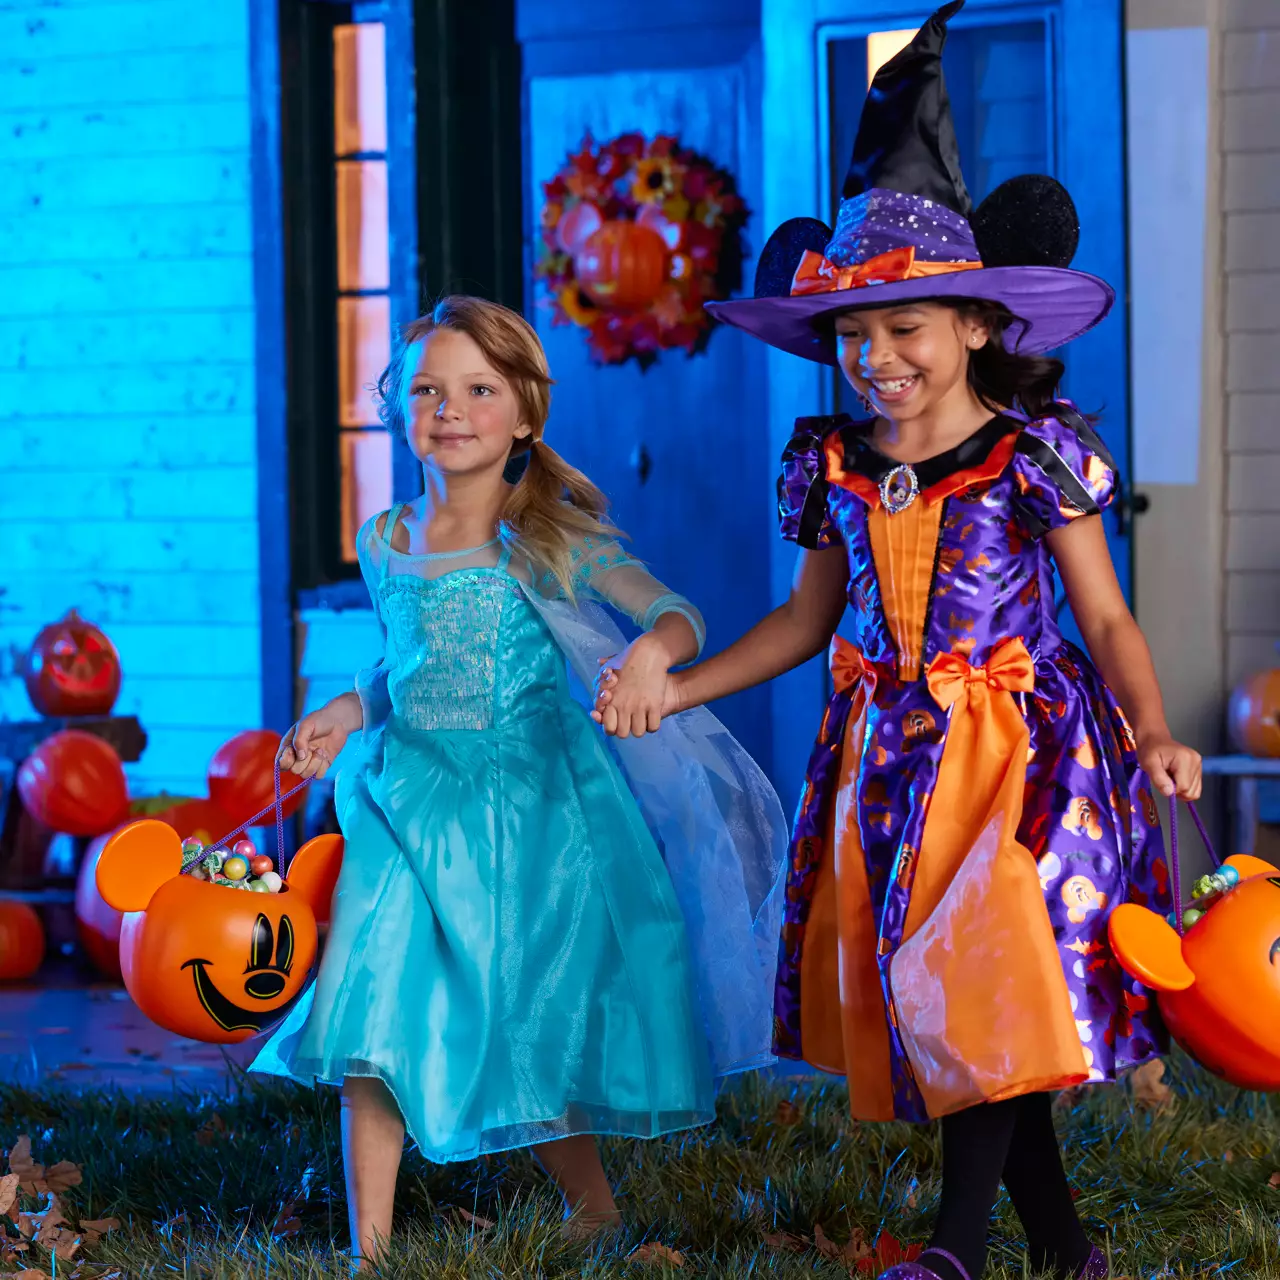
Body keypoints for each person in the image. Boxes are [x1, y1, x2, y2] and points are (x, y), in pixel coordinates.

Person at [594, 6, 1199, 1279]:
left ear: (975, 323)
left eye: (903, 328)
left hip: (1019, 760)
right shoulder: (830, 465)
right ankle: (1067, 1251)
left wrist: (1150, 727)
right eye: (850, 335)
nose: (873, 359)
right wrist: (678, 690)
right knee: (966, 1002)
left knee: (981, 981)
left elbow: (1101, 613)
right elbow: (804, 622)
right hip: (885, 764)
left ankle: (950, 1252)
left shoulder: (1031, 456)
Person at [251, 295, 786, 1269]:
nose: (450, 410)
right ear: (396, 406)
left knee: (523, 1017)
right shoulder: (384, 537)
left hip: (523, 813)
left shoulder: (546, 538)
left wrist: (653, 657)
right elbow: (404, 663)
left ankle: (593, 1207)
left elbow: (675, 613)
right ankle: (370, 1251)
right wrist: (345, 712)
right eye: (427, 390)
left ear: (525, 414)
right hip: (404, 803)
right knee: (370, 998)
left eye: (478, 390)